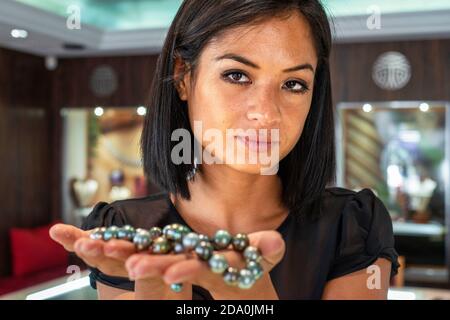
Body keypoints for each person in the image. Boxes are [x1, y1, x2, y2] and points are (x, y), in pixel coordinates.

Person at [50, 0, 399, 300]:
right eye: (236, 75)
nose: (265, 112)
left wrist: (253, 300)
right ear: (183, 76)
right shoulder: (128, 231)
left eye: (293, 84)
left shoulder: (353, 227)